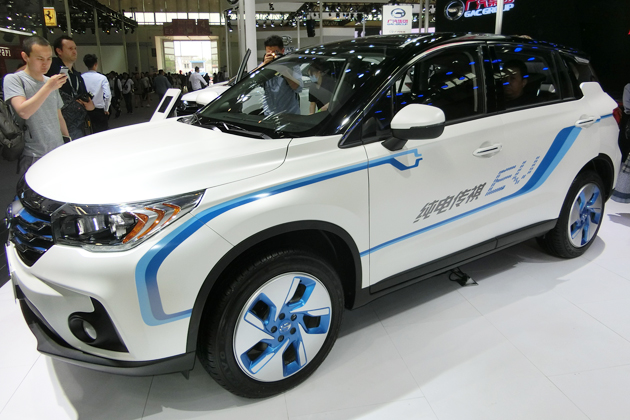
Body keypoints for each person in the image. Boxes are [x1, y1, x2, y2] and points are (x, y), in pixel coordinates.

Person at [3, 36, 69, 176]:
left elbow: (58, 116)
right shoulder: (14, 79)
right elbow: (23, 112)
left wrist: (67, 141)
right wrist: (48, 87)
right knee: (33, 189)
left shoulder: (50, 82)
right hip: (32, 154)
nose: (45, 64)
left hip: (57, 150)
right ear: (25, 57)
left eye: (49, 58)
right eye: (40, 59)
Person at [46, 34, 94, 139]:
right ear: (59, 51)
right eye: (70, 48)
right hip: (57, 124)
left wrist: (90, 105)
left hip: (77, 124)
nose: (74, 51)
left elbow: (86, 98)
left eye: (75, 48)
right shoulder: (51, 66)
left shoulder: (77, 76)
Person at [259, 35, 302, 116]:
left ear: (282, 51)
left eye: (275, 52)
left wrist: (283, 71)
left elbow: (298, 87)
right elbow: (253, 80)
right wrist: (264, 65)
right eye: (269, 53)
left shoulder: (291, 65)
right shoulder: (264, 65)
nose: (273, 56)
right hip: (269, 114)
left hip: (290, 114)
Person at [81, 54, 110, 133]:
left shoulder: (81, 77)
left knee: (88, 132)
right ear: (96, 64)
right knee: (102, 132)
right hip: (99, 109)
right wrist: (106, 108)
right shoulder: (102, 78)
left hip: (85, 108)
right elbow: (107, 95)